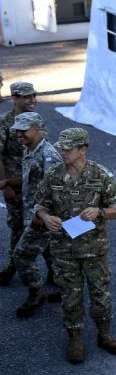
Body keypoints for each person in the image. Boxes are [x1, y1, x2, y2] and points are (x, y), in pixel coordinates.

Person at [34, 128, 116, 364]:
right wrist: (46, 218)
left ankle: (104, 335)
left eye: (68, 148)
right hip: (63, 249)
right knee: (70, 296)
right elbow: (39, 206)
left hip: (94, 249)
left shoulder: (101, 175)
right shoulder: (53, 176)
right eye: (61, 148)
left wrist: (100, 211)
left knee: (100, 294)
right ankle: (75, 338)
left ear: (83, 149)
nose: (62, 152)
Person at [11, 112, 62, 316]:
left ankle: (36, 292)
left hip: (42, 218)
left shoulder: (47, 155)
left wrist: (40, 218)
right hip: (35, 213)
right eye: (17, 129)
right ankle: (64, 286)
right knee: (50, 250)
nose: (18, 133)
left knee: (21, 254)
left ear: (37, 130)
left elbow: (54, 191)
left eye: (23, 129)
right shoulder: (30, 149)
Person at [0, 81, 44, 285]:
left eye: (34, 95)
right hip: (15, 185)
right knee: (18, 226)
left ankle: (54, 269)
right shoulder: (4, 123)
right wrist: (5, 185)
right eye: (27, 97)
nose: (32, 100)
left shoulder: (36, 120)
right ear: (14, 98)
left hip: (34, 184)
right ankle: (13, 265)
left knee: (41, 225)